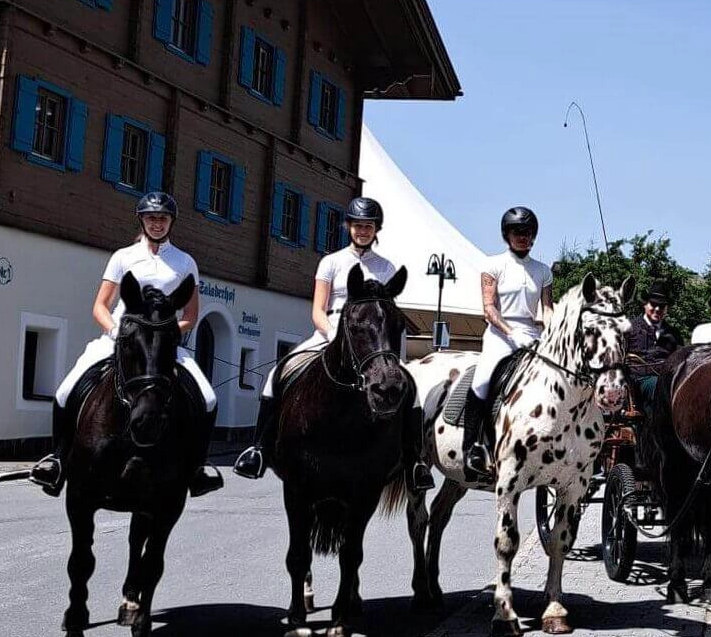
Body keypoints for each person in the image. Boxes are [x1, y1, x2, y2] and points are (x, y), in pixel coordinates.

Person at [29, 192, 224, 498]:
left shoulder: (185, 262)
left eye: (162, 219)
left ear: (171, 222)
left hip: (163, 344)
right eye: (151, 218)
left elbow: (191, 314)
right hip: (119, 337)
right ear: (142, 220)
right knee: (66, 389)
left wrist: (169, 333)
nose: (157, 224)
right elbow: (100, 306)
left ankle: (198, 468)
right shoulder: (123, 256)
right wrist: (117, 331)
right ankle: (57, 460)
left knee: (208, 397)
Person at [233, 197, 434, 489]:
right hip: (331, 331)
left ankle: (414, 462)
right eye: (357, 226)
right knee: (275, 375)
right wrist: (331, 335)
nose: (362, 231)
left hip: (372, 340)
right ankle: (259, 449)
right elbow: (318, 308)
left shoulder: (386, 267)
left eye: (368, 226)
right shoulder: (331, 262)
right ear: (348, 227)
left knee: (410, 390)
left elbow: (386, 314)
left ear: (376, 229)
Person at [462, 206, 553, 478]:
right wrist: (510, 331)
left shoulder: (543, 270)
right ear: (507, 234)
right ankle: (473, 448)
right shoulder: (493, 265)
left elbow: (546, 308)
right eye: (516, 232)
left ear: (533, 235)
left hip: (533, 334)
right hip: (500, 333)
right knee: (483, 380)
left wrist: (552, 327)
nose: (522, 237)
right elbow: (488, 308)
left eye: (526, 232)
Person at [626, 279, 681, 364]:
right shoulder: (628, 328)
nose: (657, 309)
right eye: (653, 304)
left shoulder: (675, 335)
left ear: (667, 309)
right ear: (645, 304)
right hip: (634, 376)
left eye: (662, 306)